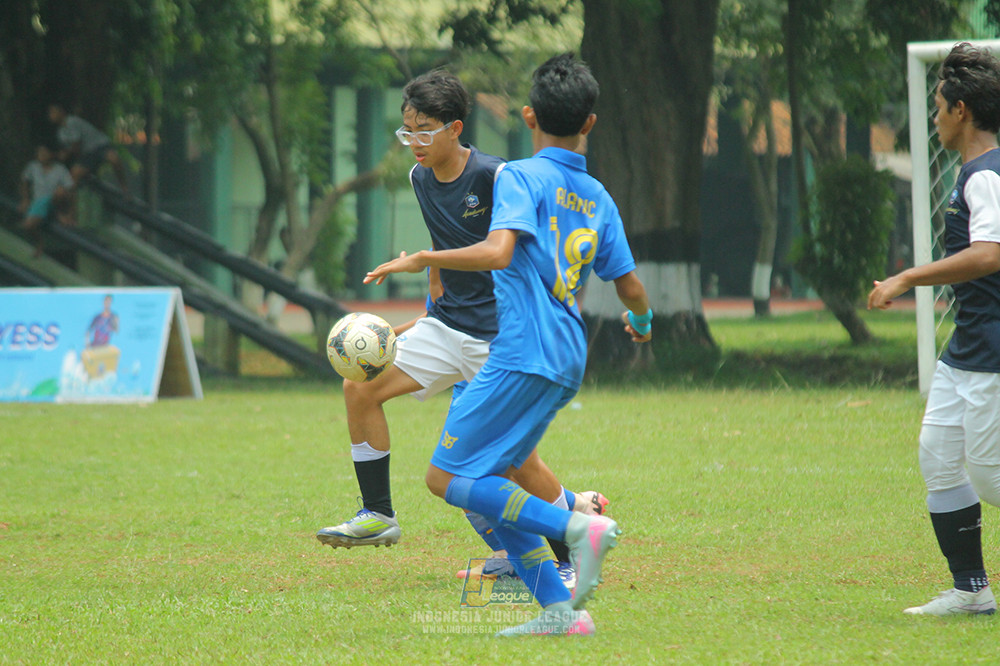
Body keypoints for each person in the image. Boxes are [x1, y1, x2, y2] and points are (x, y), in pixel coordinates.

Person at [364, 53, 652, 636]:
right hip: (569, 356)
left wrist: (423, 258)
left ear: (527, 116)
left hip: (520, 351)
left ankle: (577, 525)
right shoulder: (598, 196)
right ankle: (561, 613)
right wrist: (642, 326)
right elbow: (630, 286)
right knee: (488, 482)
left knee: (446, 479)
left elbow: (497, 252)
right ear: (589, 123)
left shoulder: (518, 176)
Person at [315, 70, 607, 580]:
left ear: (455, 127)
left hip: (500, 338)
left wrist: (427, 259)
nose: (415, 143)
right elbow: (442, 255)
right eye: (408, 131)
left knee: (512, 463)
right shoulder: (418, 177)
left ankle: (568, 547)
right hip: (447, 328)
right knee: (359, 388)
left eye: (425, 130)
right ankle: (378, 514)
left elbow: (502, 253)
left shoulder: (496, 177)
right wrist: (428, 312)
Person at [868, 42, 1000, 617]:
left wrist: (906, 277)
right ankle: (971, 591)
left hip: (992, 350)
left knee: (992, 479)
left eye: (939, 107)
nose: (935, 117)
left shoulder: (986, 177)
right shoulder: (971, 172)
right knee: (938, 456)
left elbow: (989, 254)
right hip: (963, 350)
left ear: (962, 110)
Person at [48, 103, 128, 193]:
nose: (51, 116)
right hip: (87, 154)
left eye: (53, 112)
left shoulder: (71, 121)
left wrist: (66, 154)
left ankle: (124, 188)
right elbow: (71, 151)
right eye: (50, 114)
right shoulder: (60, 134)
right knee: (74, 175)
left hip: (100, 145)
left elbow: (76, 145)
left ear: (61, 112)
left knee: (114, 159)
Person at [18, 143, 76, 255]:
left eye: (44, 153)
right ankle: (39, 242)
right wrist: (25, 199)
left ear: (51, 154)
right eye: (39, 153)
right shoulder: (32, 167)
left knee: (60, 191)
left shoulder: (60, 169)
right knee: (28, 226)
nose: (41, 156)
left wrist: (71, 213)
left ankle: (59, 215)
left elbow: (71, 190)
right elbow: (24, 181)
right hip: (38, 203)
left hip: (53, 203)